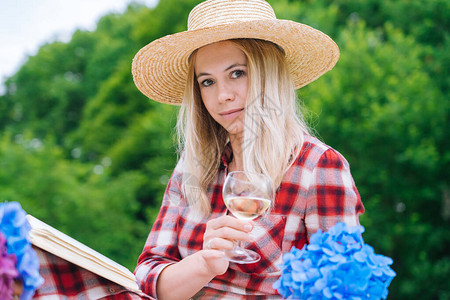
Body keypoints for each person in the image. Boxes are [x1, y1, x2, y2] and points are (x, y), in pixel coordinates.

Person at [132, 0, 365, 299]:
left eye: (237, 73)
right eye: (207, 82)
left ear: (269, 73)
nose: (223, 96)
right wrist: (204, 264)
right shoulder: (191, 168)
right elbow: (146, 278)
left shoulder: (318, 166)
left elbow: (342, 288)